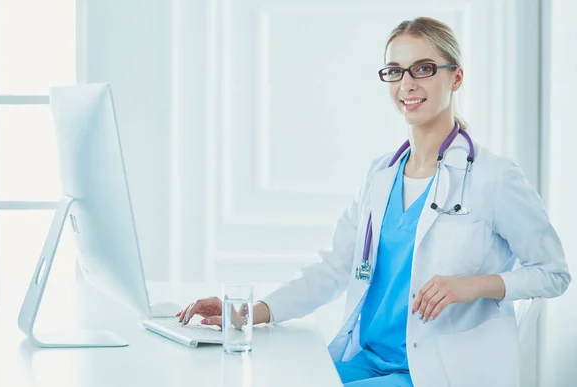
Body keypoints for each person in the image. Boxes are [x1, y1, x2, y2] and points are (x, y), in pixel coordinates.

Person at [176, 17, 571, 387]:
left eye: (423, 68)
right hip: (368, 359)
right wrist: (248, 313)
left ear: (457, 78)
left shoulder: (494, 176)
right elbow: (335, 268)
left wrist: (474, 286)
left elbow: (554, 274)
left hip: (434, 370)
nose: (406, 83)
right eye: (395, 71)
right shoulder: (380, 174)